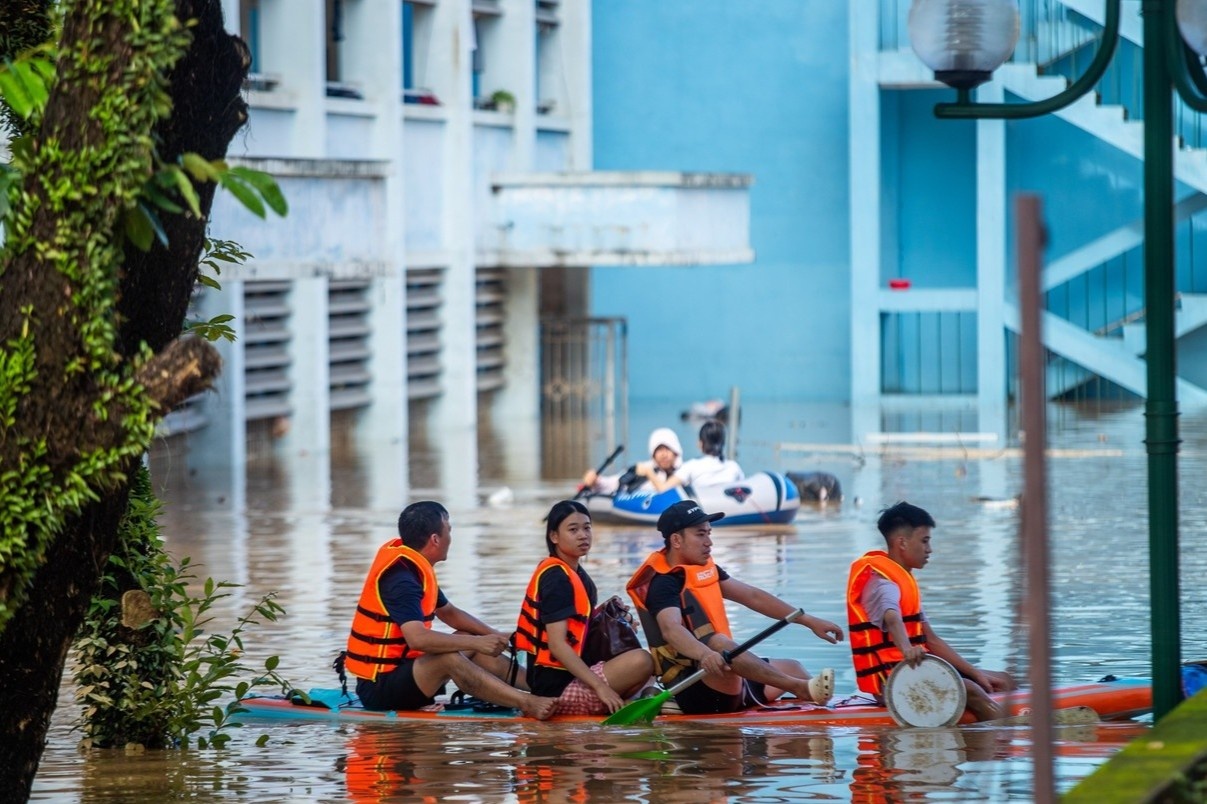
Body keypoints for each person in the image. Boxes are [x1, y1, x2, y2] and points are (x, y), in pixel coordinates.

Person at [343, 500, 558, 719]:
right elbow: (417, 639)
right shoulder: (402, 580)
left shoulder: (413, 566)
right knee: (450, 657)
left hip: (406, 671)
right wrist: (477, 643)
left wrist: (497, 635)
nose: (450, 537)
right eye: (449, 530)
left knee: (468, 636)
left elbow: (450, 613)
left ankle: (544, 690)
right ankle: (528, 703)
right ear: (435, 539)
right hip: (380, 689)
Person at [625, 499, 843, 714]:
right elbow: (671, 629)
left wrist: (808, 620)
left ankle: (812, 698)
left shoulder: (704, 569)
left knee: (794, 667)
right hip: (697, 685)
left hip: (728, 676)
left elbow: (753, 596)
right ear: (676, 540)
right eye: (700, 534)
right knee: (719, 643)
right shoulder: (663, 583)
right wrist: (705, 654)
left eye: (709, 533)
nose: (709, 542)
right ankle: (799, 688)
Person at [846, 501, 1016, 722]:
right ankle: (1011, 731)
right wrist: (907, 649)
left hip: (916, 670)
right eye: (924, 541)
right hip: (892, 680)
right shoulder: (882, 584)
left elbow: (932, 640)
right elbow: (892, 617)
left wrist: (976, 672)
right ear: (902, 543)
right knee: (970, 689)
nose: (929, 549)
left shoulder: (903, 581)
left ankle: (1014, 714)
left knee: (1004, 680)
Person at [514, 500, 654, 715]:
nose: (583, 535)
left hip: (573, 675)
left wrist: (619, 623)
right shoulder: (557, 578)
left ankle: (623, 700)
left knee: (648, 664)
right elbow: (557, 645)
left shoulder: (577, 574)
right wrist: (601, 687)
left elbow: (581, 631)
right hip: (556, 690)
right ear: (554, 536)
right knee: (642, 660)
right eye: (573, 530)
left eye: (587, 528)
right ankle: (611, 702)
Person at [638, 421, 743, 493]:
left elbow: (663, 489)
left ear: (700, 443)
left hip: (704, 509)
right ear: (723, 443)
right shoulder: (733, 466)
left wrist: (648, 471)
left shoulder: (691, 466)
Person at [580, 427, 683, 496]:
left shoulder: (684, 472)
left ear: (676, 452)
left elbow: (666, 491)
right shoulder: (644, 469)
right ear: (653, 453)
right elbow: (615, 482)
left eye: (668, 449)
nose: (664, 455)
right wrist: (596, 481)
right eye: (659, 450)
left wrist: (650, 474)